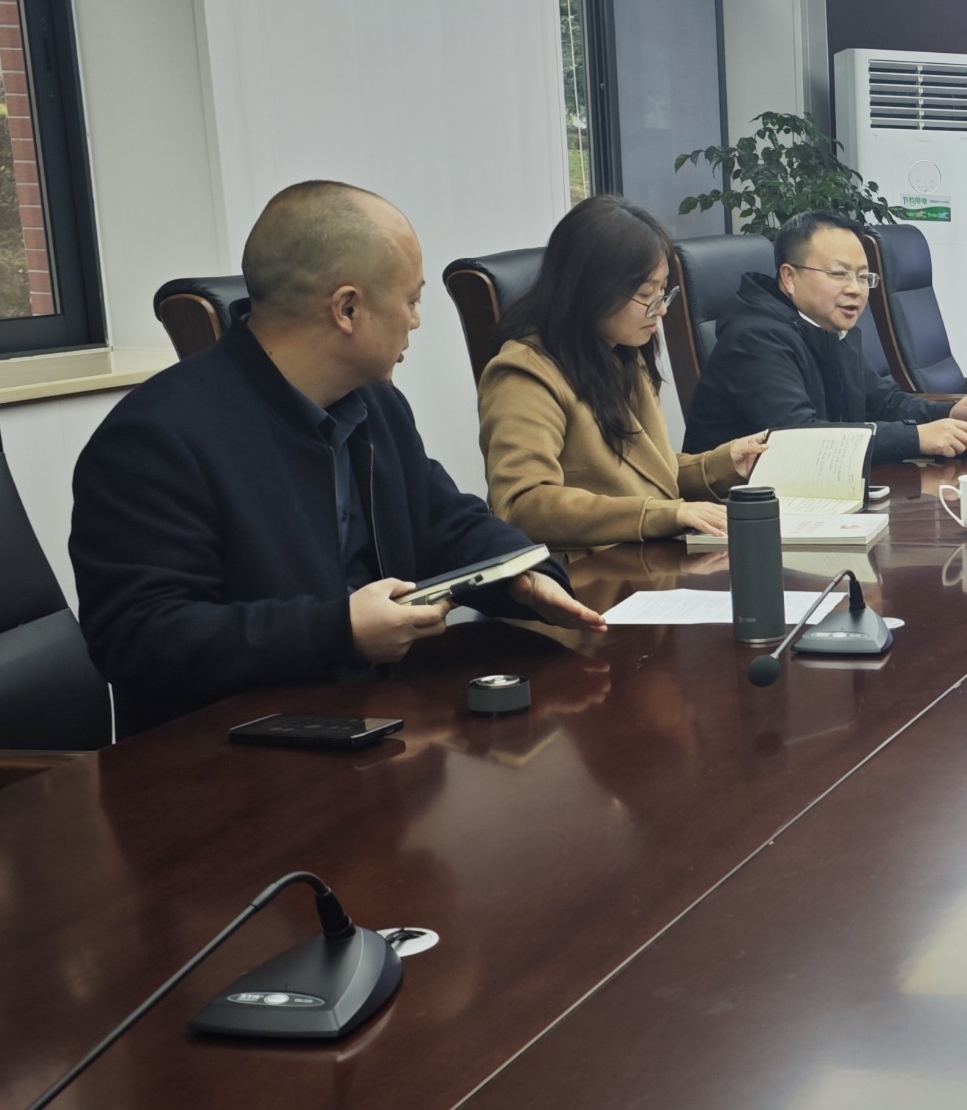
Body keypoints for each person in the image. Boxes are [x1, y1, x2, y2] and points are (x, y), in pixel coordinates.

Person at [70, 179, 604, 731]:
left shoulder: (376, 403)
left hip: (377, 722)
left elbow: (442, 519)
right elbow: (139, 638)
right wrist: (339, 631)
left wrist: (521, 573)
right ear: (347, 308)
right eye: (411, 300)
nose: (416, 321)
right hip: (238, 752)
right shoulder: (156, 438)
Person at [478, 193, 767, 548]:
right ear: (590, 289)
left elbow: (647, 475)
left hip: (644, 555)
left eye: (664, 291)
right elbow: (524, 505)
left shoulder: (622, 353)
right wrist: (662, 514)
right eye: (646, 294)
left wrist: (724, 464)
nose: (661, 309)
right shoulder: (524, 374)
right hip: (590, 569)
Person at [680, 209, 967, 464]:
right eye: (839, 274)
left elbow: (883, 402)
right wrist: (916, 438)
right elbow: (796, 436)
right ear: (789, 277)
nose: (855, 289)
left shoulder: (827, 328)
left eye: (863, 276)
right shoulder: (755, 338)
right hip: (735, 508)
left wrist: (949, 412)